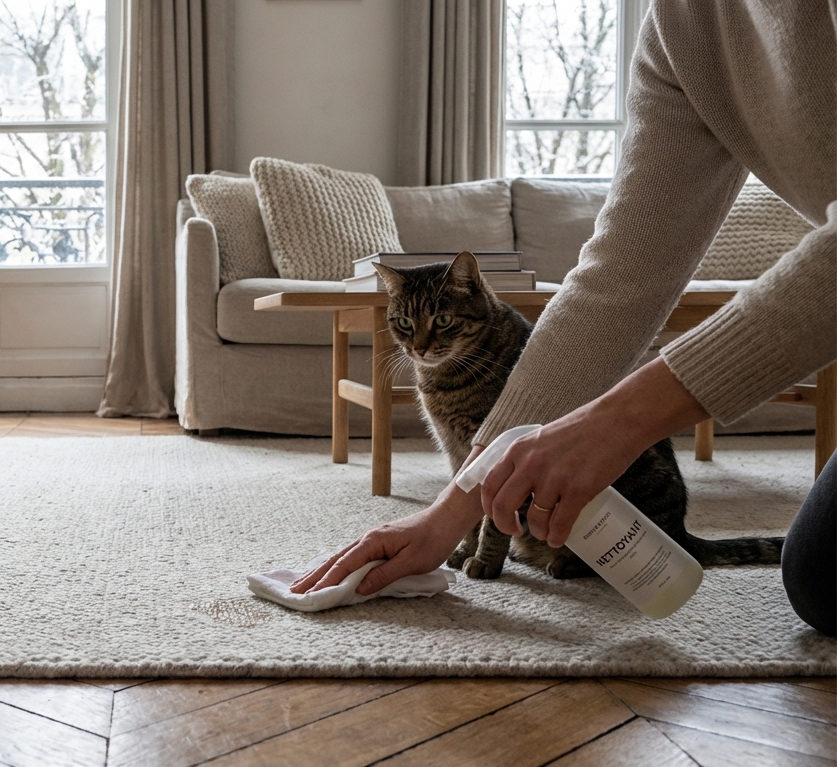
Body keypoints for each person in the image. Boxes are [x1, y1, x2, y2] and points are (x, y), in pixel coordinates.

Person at [290, 0, 836, 636]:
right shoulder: (683, 27)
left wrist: (619, 420)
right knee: (821, 584)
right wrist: (449, 513)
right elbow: (619, 279)